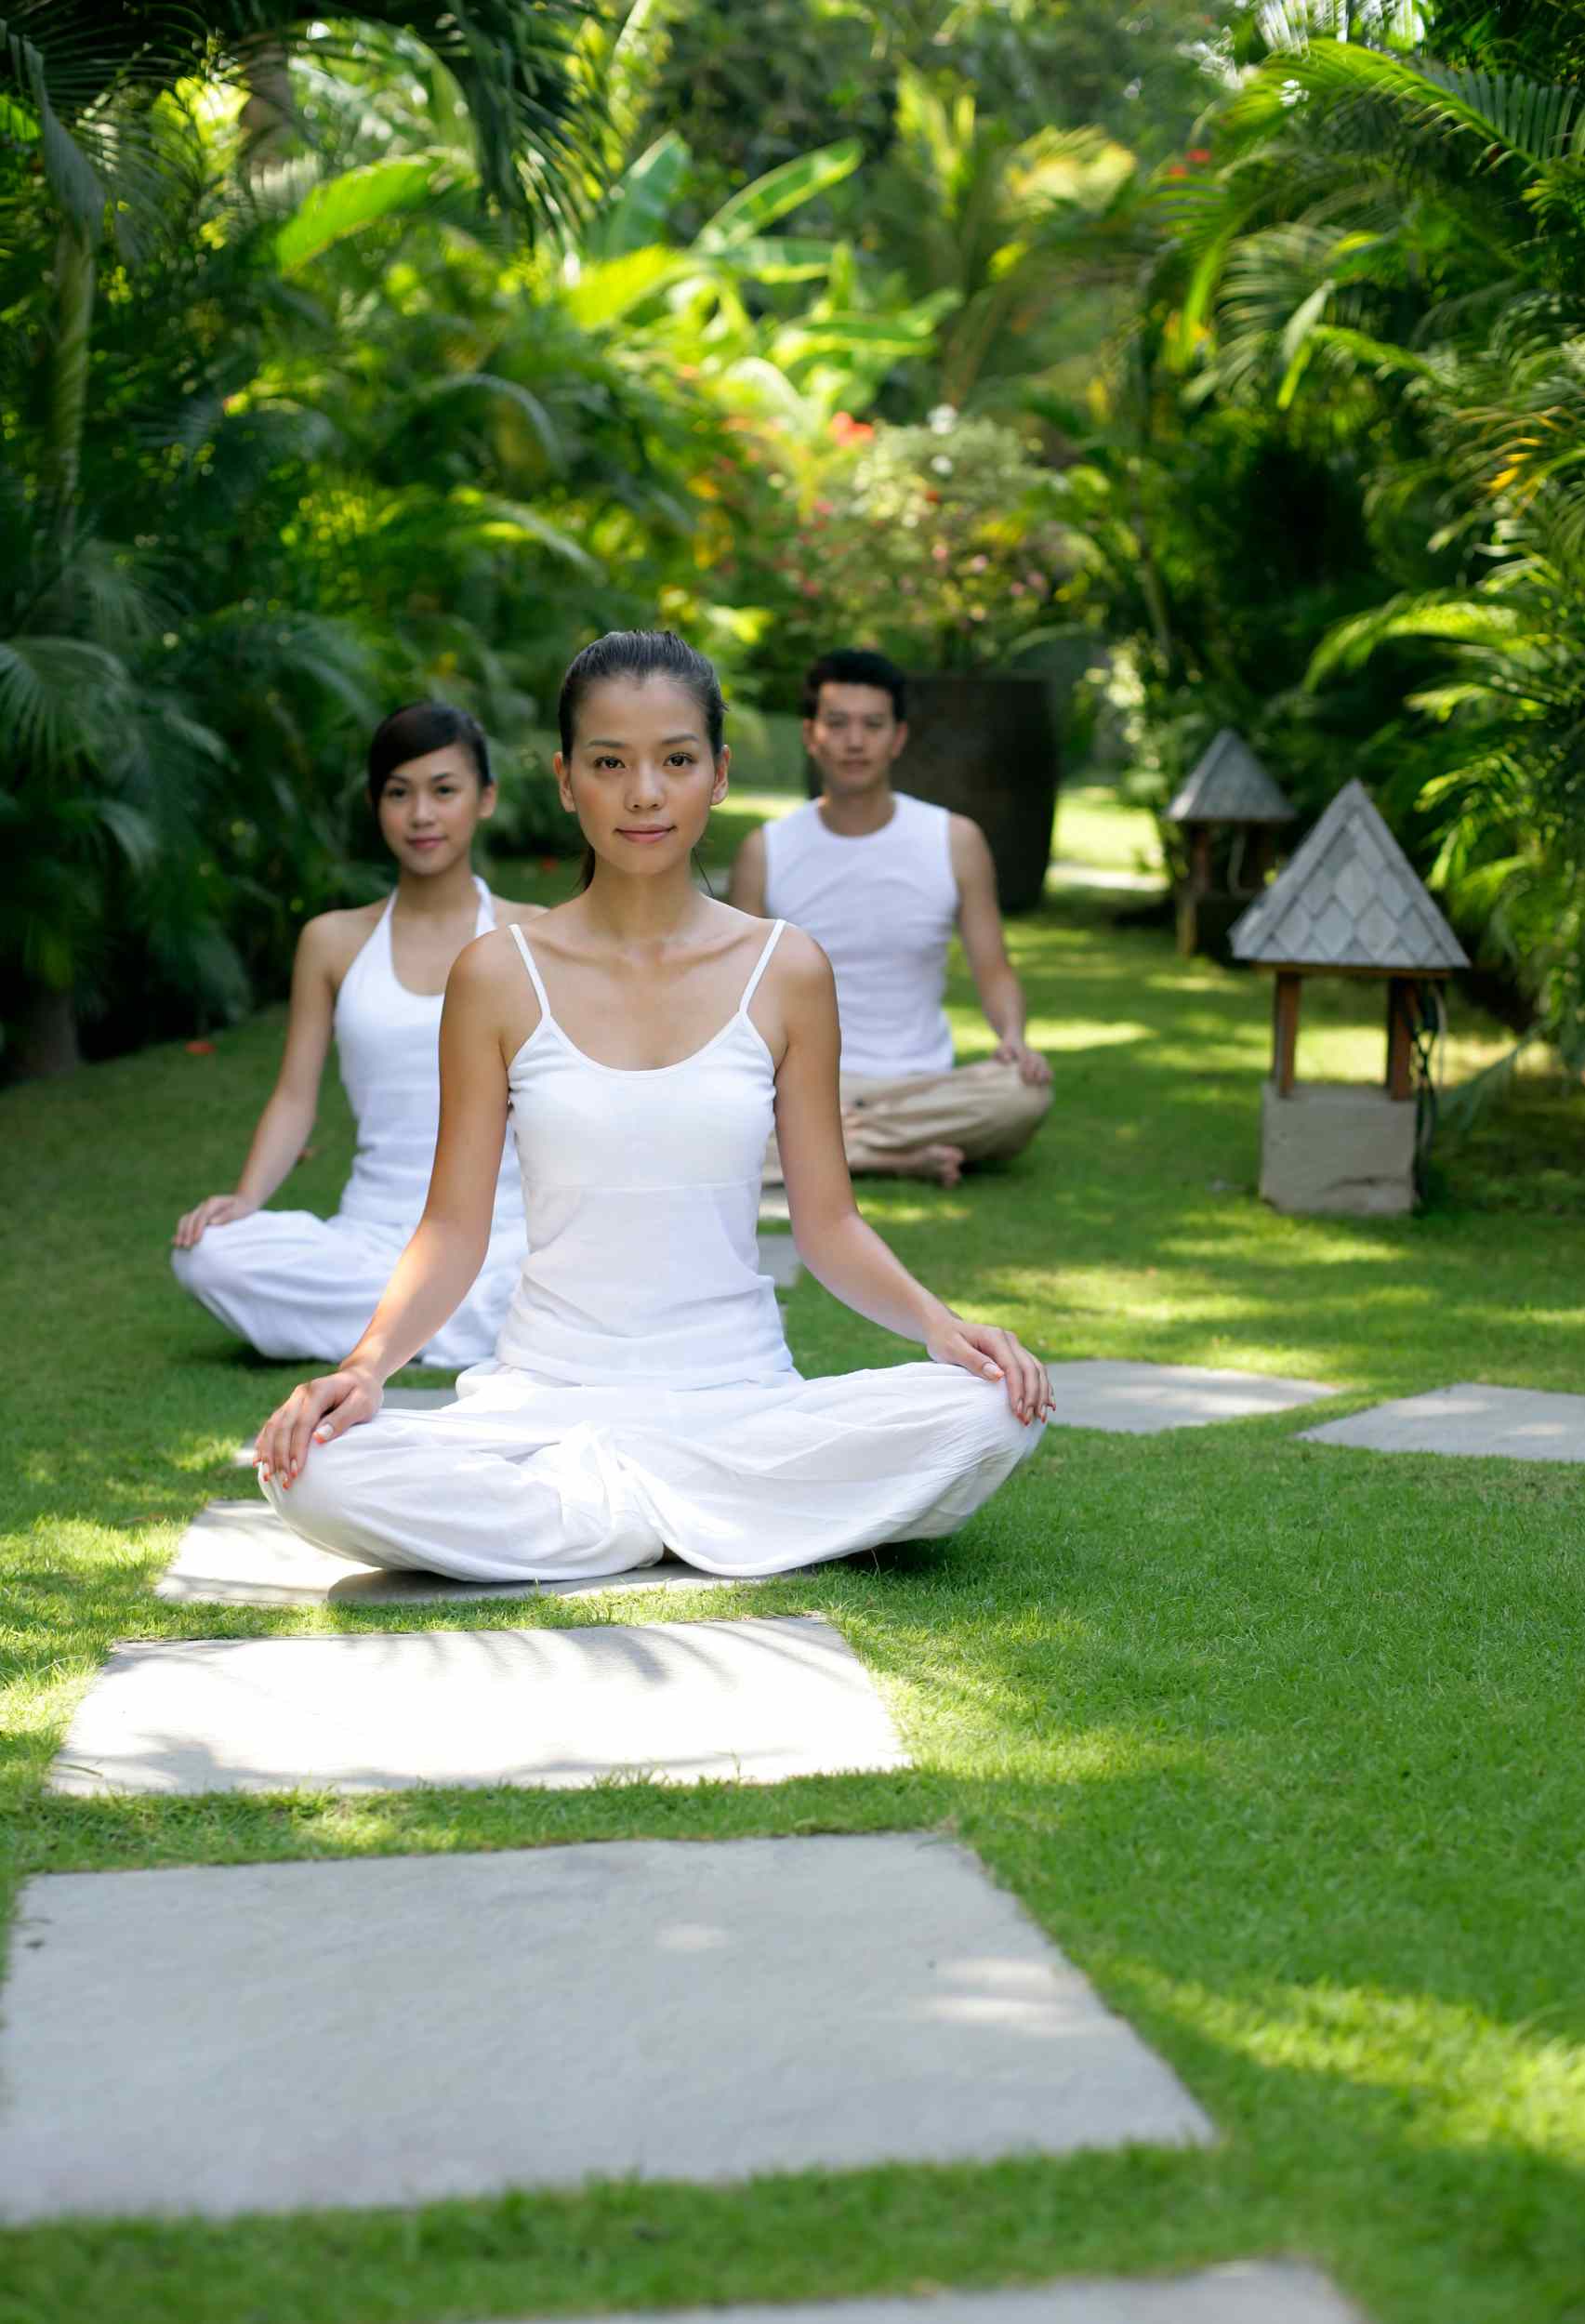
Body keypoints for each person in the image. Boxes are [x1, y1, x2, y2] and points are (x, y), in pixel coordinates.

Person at [254, 630, 1050, 1585]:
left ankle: (606, 1515)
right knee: (310, 1474)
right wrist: (366, 1366)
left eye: (675, 760)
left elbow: (828, 1224)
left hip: (737, 1399)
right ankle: (689, 1515)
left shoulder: (784, 967)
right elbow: (454, 1228)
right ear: (563, 779)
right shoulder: (497, 973)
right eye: (609, 763)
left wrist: (940, 1324)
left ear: (716, 775)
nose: (643, 794)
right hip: (543, 1401)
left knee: (990, 1407)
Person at [172, 702, 540, 1367]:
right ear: (376, 805)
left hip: (504, 1235)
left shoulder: (535, 935)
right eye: (399, 794)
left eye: (444, 790)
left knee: (576, 1268)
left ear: (484, 799)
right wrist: (247, 1200)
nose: (421, 815)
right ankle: (454, 1323)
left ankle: (412, 1321)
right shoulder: (332, 940)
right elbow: (294, 1097)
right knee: (207, 1256)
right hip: (370, 1236)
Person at [730, 648, 1051, 1188]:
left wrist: (1014, 1036)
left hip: (923, 1087)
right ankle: (887, 1154)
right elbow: (734, 993)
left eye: (872, 725)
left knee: (1024, 1093)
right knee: (711, 1111)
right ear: (811, 734)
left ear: (898, 737)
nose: (855, 742)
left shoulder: (955, 840)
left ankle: (831, 1148)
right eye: (837, 724)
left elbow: (993, 968)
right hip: (808, 1084)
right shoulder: (766, 850)